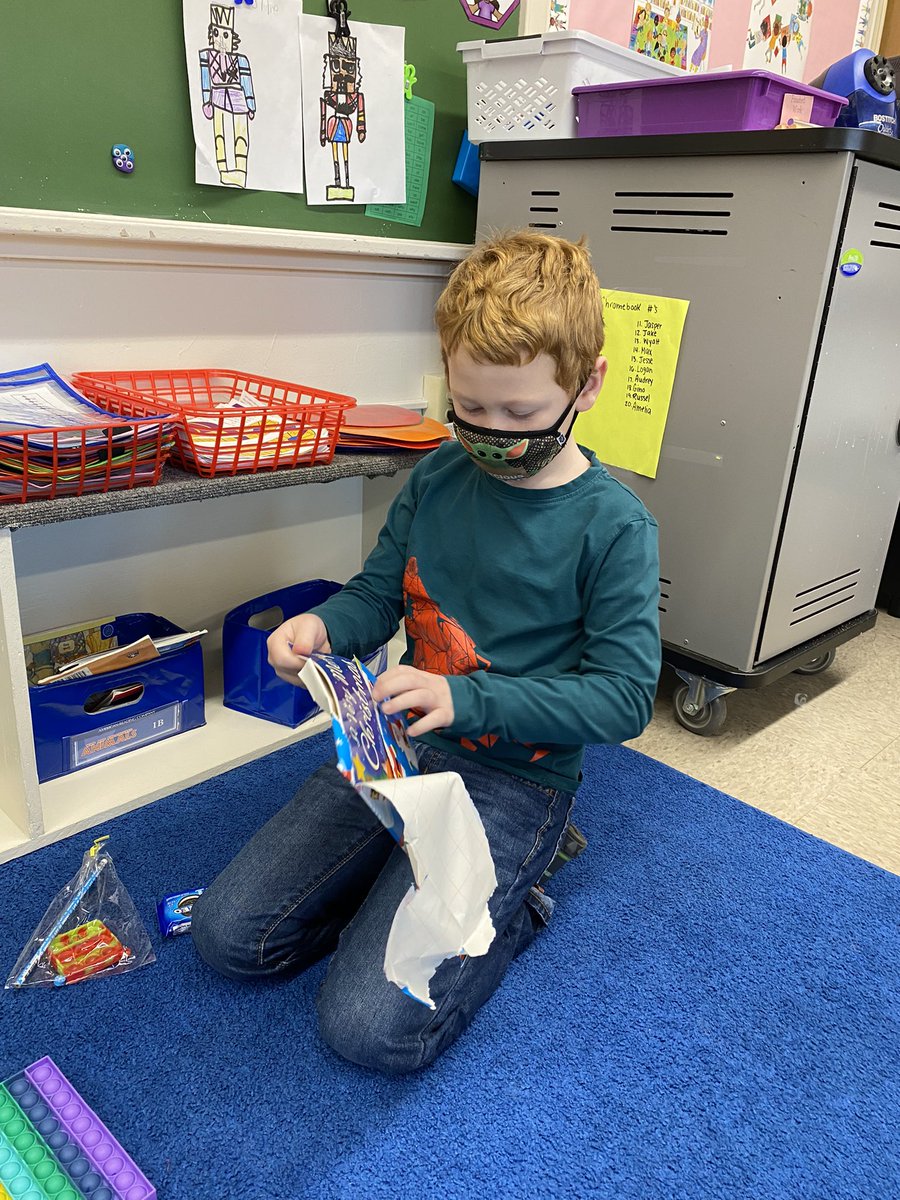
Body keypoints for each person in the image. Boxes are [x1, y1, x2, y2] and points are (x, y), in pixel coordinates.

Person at [191, 230, 662, 1074]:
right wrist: (326, 629)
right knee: (229, 940)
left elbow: (624, 698)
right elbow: (379, 594)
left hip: (518, 777)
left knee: (369, 1031)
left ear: (586, 386)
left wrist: (469, 701)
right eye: (470, 407)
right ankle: (401, 882)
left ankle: (515, 906)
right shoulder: (438, 478)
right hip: (395, 748)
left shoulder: (614, 528)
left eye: (520, 414)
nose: (490, 434)